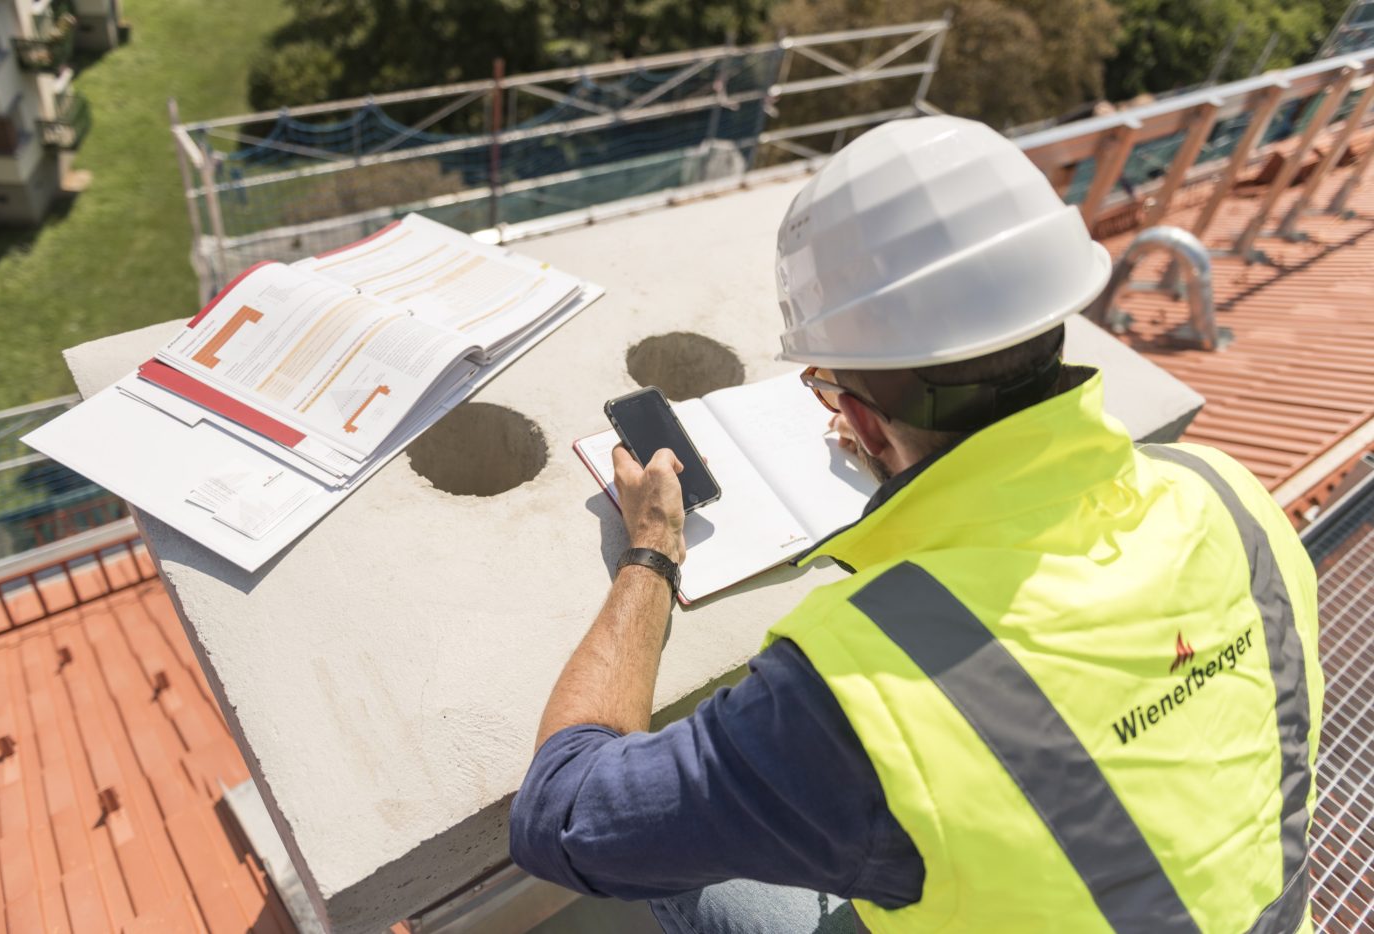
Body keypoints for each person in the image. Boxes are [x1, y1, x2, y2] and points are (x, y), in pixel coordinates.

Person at [508, 116, 1323, 933]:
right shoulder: (1227, 493)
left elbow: (560, 814)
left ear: (861, 425)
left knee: (691, 871)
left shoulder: (856, 696)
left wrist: (650, 552)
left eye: (826, 389)